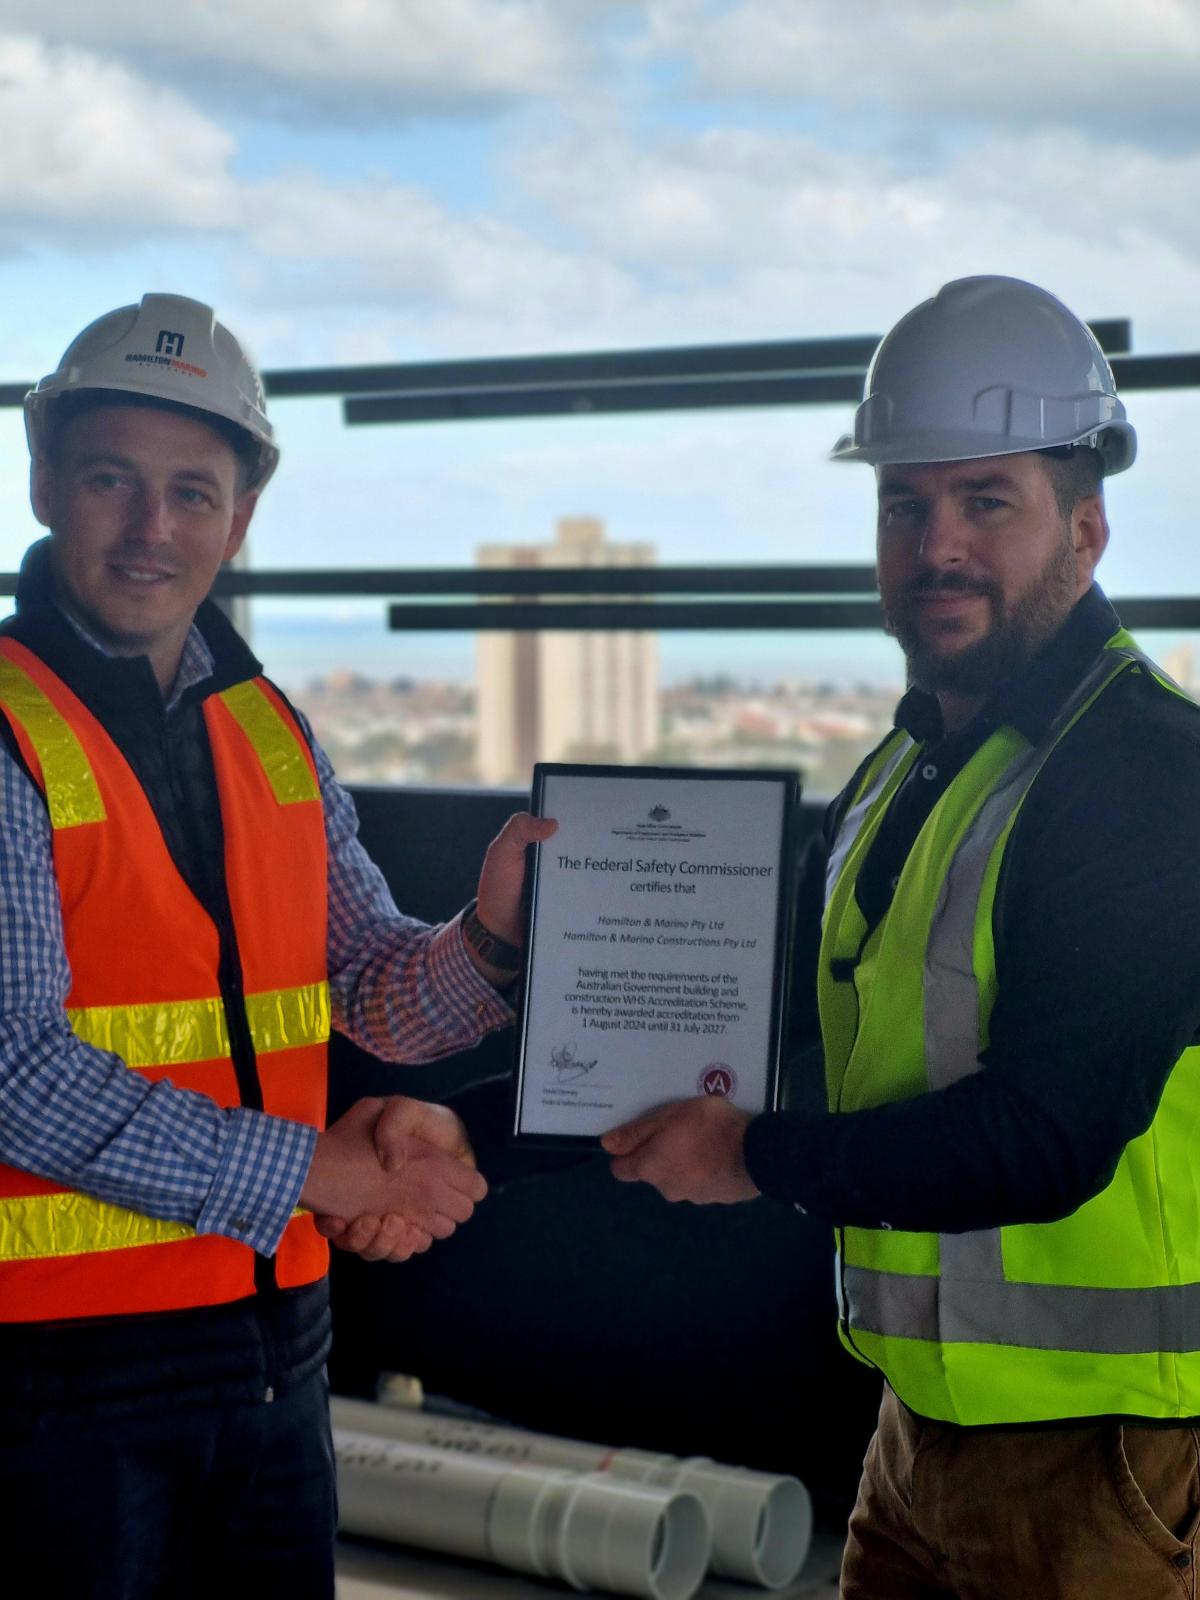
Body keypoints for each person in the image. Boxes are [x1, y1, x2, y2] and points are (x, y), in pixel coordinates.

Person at [602, 275, 1200, 1598]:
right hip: (921, 1432)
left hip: (1114, 1461)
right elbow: (824, 1043)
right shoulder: (909, 765)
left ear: (1086, 530)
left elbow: (1046, 1134)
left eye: (988, 502)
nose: (937, 545)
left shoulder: (1142, 771)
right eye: (904, 502)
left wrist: (752, 1156)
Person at [0, 292, 553, 1598]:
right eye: (111, 483)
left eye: (193, 494)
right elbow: (16, 1073)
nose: (154, 530)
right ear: (43, 484)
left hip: (272, 1356)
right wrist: (322, 1173)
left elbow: (368, 986)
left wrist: (490, 943)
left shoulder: (269, 731)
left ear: (239, 519)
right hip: (51, 1386)